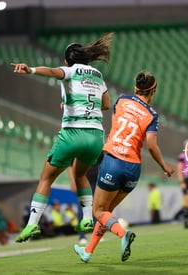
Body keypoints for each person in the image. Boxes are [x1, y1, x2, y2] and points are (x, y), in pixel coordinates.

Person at [12, 33, 113, 243]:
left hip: (73, 133)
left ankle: (32, 224)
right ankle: (87, 219)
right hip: (95, 136)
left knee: (46, 178)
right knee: (81, 175)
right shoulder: (97, 75)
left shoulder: (69, 71)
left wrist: (30, 69)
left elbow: (51, 72)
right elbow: (105, 105)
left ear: (67, 61)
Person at [74, 71, 174, 263]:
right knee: (106, 213)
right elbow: (151, 146)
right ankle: (88, 251)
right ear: (153, 91)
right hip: (133, 169)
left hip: (113, 160)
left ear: (136, 88)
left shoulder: (121, 100)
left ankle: (123, 234)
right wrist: (164, 166)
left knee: (98, 211)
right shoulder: (152, 115)